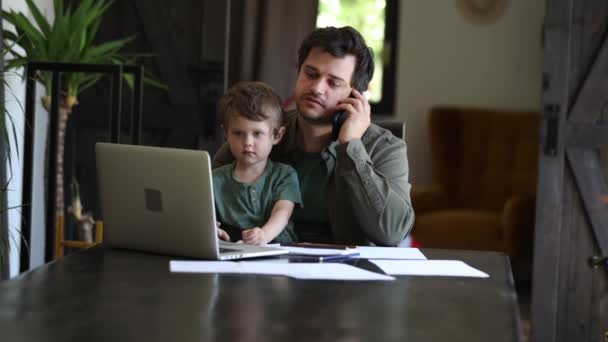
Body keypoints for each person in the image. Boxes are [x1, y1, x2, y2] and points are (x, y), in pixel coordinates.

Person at [213, 26, 414, 246]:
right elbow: (206, 199)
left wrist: (351, 145)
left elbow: (393, 232)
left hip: (345, 272)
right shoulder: (262, 132)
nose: (317, 88)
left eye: (333, 82)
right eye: (311, 74)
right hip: (263, 266)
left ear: (355, 95)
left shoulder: (385, 147)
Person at [213, 81, 303, 245]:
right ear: (226, 134)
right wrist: (212, 228)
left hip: (280, 252)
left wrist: (264, 234)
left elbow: (282, 212)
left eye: (257, 133)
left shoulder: (285, 175)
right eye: (238, 133)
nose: (247, 142)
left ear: (277, 135)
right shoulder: (215, 179)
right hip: (232, 253)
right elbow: (205, 214)